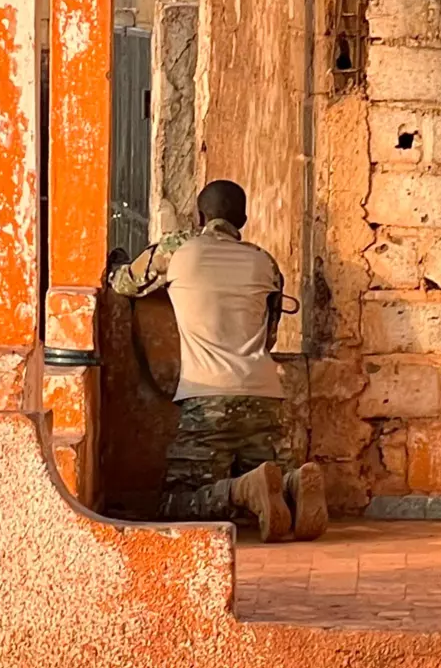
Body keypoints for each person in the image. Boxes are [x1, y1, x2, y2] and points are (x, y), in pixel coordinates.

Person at [108, 180, 327, 542]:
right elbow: (270, 336)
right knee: (267, 475)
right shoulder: (266, 263)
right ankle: (292, 486)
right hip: (264, 397)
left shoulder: (178, 249)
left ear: (199, 216)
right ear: (243, 219)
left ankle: (242, 490)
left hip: (206, 401)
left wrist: (116, 262)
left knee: (176, 504)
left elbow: (124, 283)